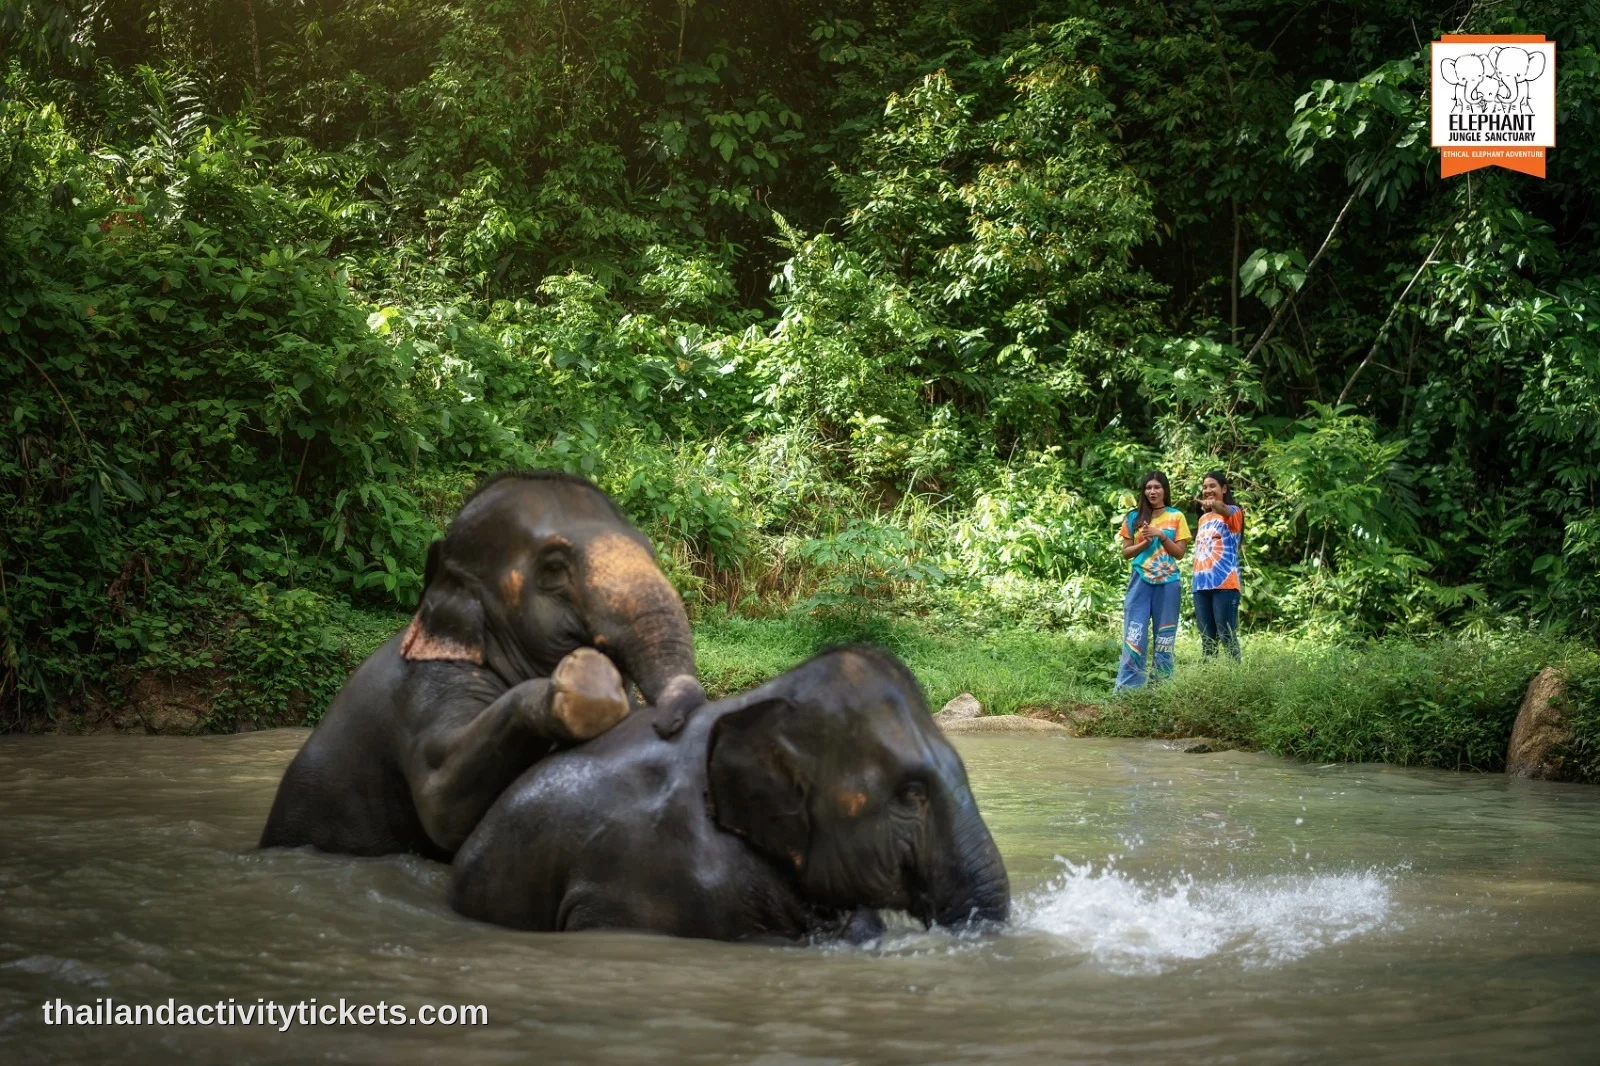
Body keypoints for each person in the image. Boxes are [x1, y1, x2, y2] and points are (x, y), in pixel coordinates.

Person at [1114, 470, 1189, 690]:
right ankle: (1128, 690)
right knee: (1134, 634)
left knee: (1164, 637)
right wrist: (1144, 544)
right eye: (1148, 487)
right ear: (1143, 491)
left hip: (1168, 583)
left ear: (1165, 490)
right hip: (1140, 582)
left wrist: (1161, 535)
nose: (1152, 491)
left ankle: (1161, 690)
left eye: (1157, 487)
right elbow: (1126, 553)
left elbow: (1180, 553)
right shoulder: (1133, 517)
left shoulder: (1177, 516)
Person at [1191, 470, 1244, 660]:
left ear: (1224, 488)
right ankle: (1208, 685)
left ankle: (1236, 684)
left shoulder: (1234, 512)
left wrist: (1215, 505)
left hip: (1225, 585)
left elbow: (1224, 510)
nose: (1207, 490)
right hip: (1201, 585)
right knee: (1207, 642)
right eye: (1204, 487)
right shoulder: (1203, 519)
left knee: (1227, 637)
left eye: (1212, 486)